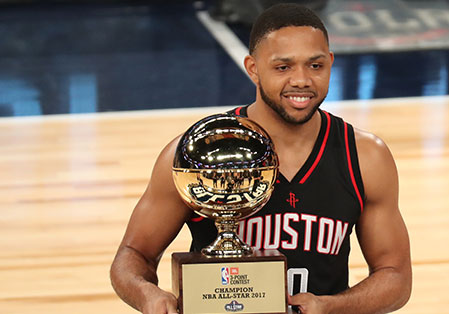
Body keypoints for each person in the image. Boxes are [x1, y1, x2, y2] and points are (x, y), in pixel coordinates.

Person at [110, 3, 411, 314]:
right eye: (283, 67)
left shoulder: (364, 156)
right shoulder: (195, 155)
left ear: (330, 63)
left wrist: (332, 306)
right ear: (253, 68)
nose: (301, 80)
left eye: (315, 66)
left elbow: (396, 277)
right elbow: (133, 254)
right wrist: (148, 296)